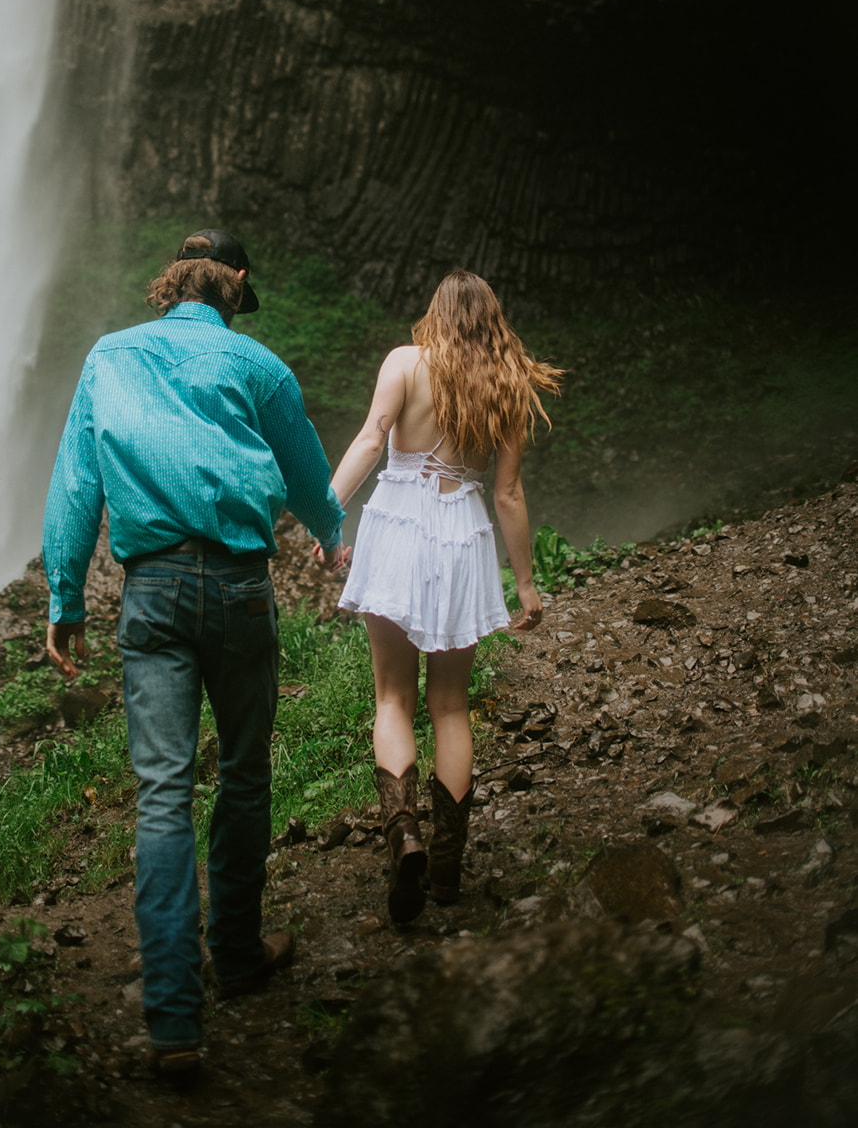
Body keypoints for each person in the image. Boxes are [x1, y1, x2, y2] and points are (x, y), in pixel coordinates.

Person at [43, 229, 347, 1077]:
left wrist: (65, 600)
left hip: (153, 592)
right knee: (245, 771)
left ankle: (175, 1019)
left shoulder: (109, 357)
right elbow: (308, 475)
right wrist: (332, 537)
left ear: (172, 283)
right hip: (243, 588)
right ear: (236, 288)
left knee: (163, 792)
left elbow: (75, 483)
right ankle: (240, 955)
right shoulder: (259, 369)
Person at [315, 270, 562, 923]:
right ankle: (448, 867)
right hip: (461, 535)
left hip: (396, 526)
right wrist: (527, 584)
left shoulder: (404, 362)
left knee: (392, 698)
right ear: (492, 320)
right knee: (450, 706)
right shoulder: (507, 386)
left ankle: (406, 837)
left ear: (435, 313)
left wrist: (325, 514)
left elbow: (371, 440)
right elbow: (507, 494)